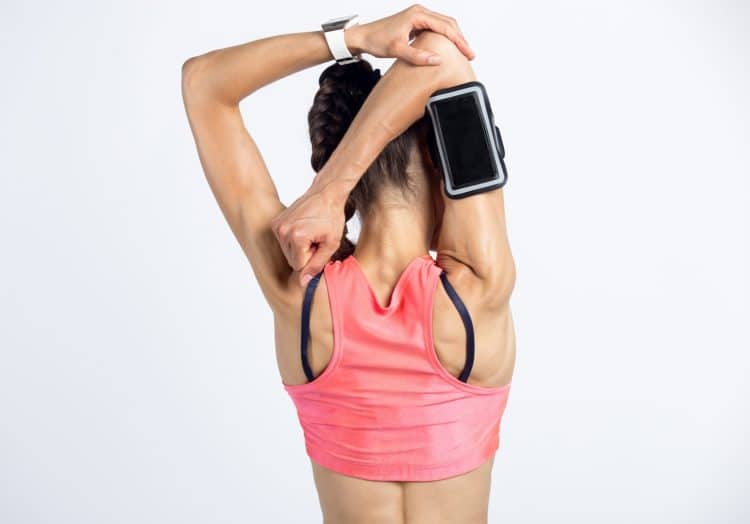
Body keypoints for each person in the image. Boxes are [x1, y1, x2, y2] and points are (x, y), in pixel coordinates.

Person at [182, 6, 516, 523]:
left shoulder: (298, 290)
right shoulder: (477, 289)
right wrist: (331, 188)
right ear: (439, 163)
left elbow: (203, 83)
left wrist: (353, 39)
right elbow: (443, 55)